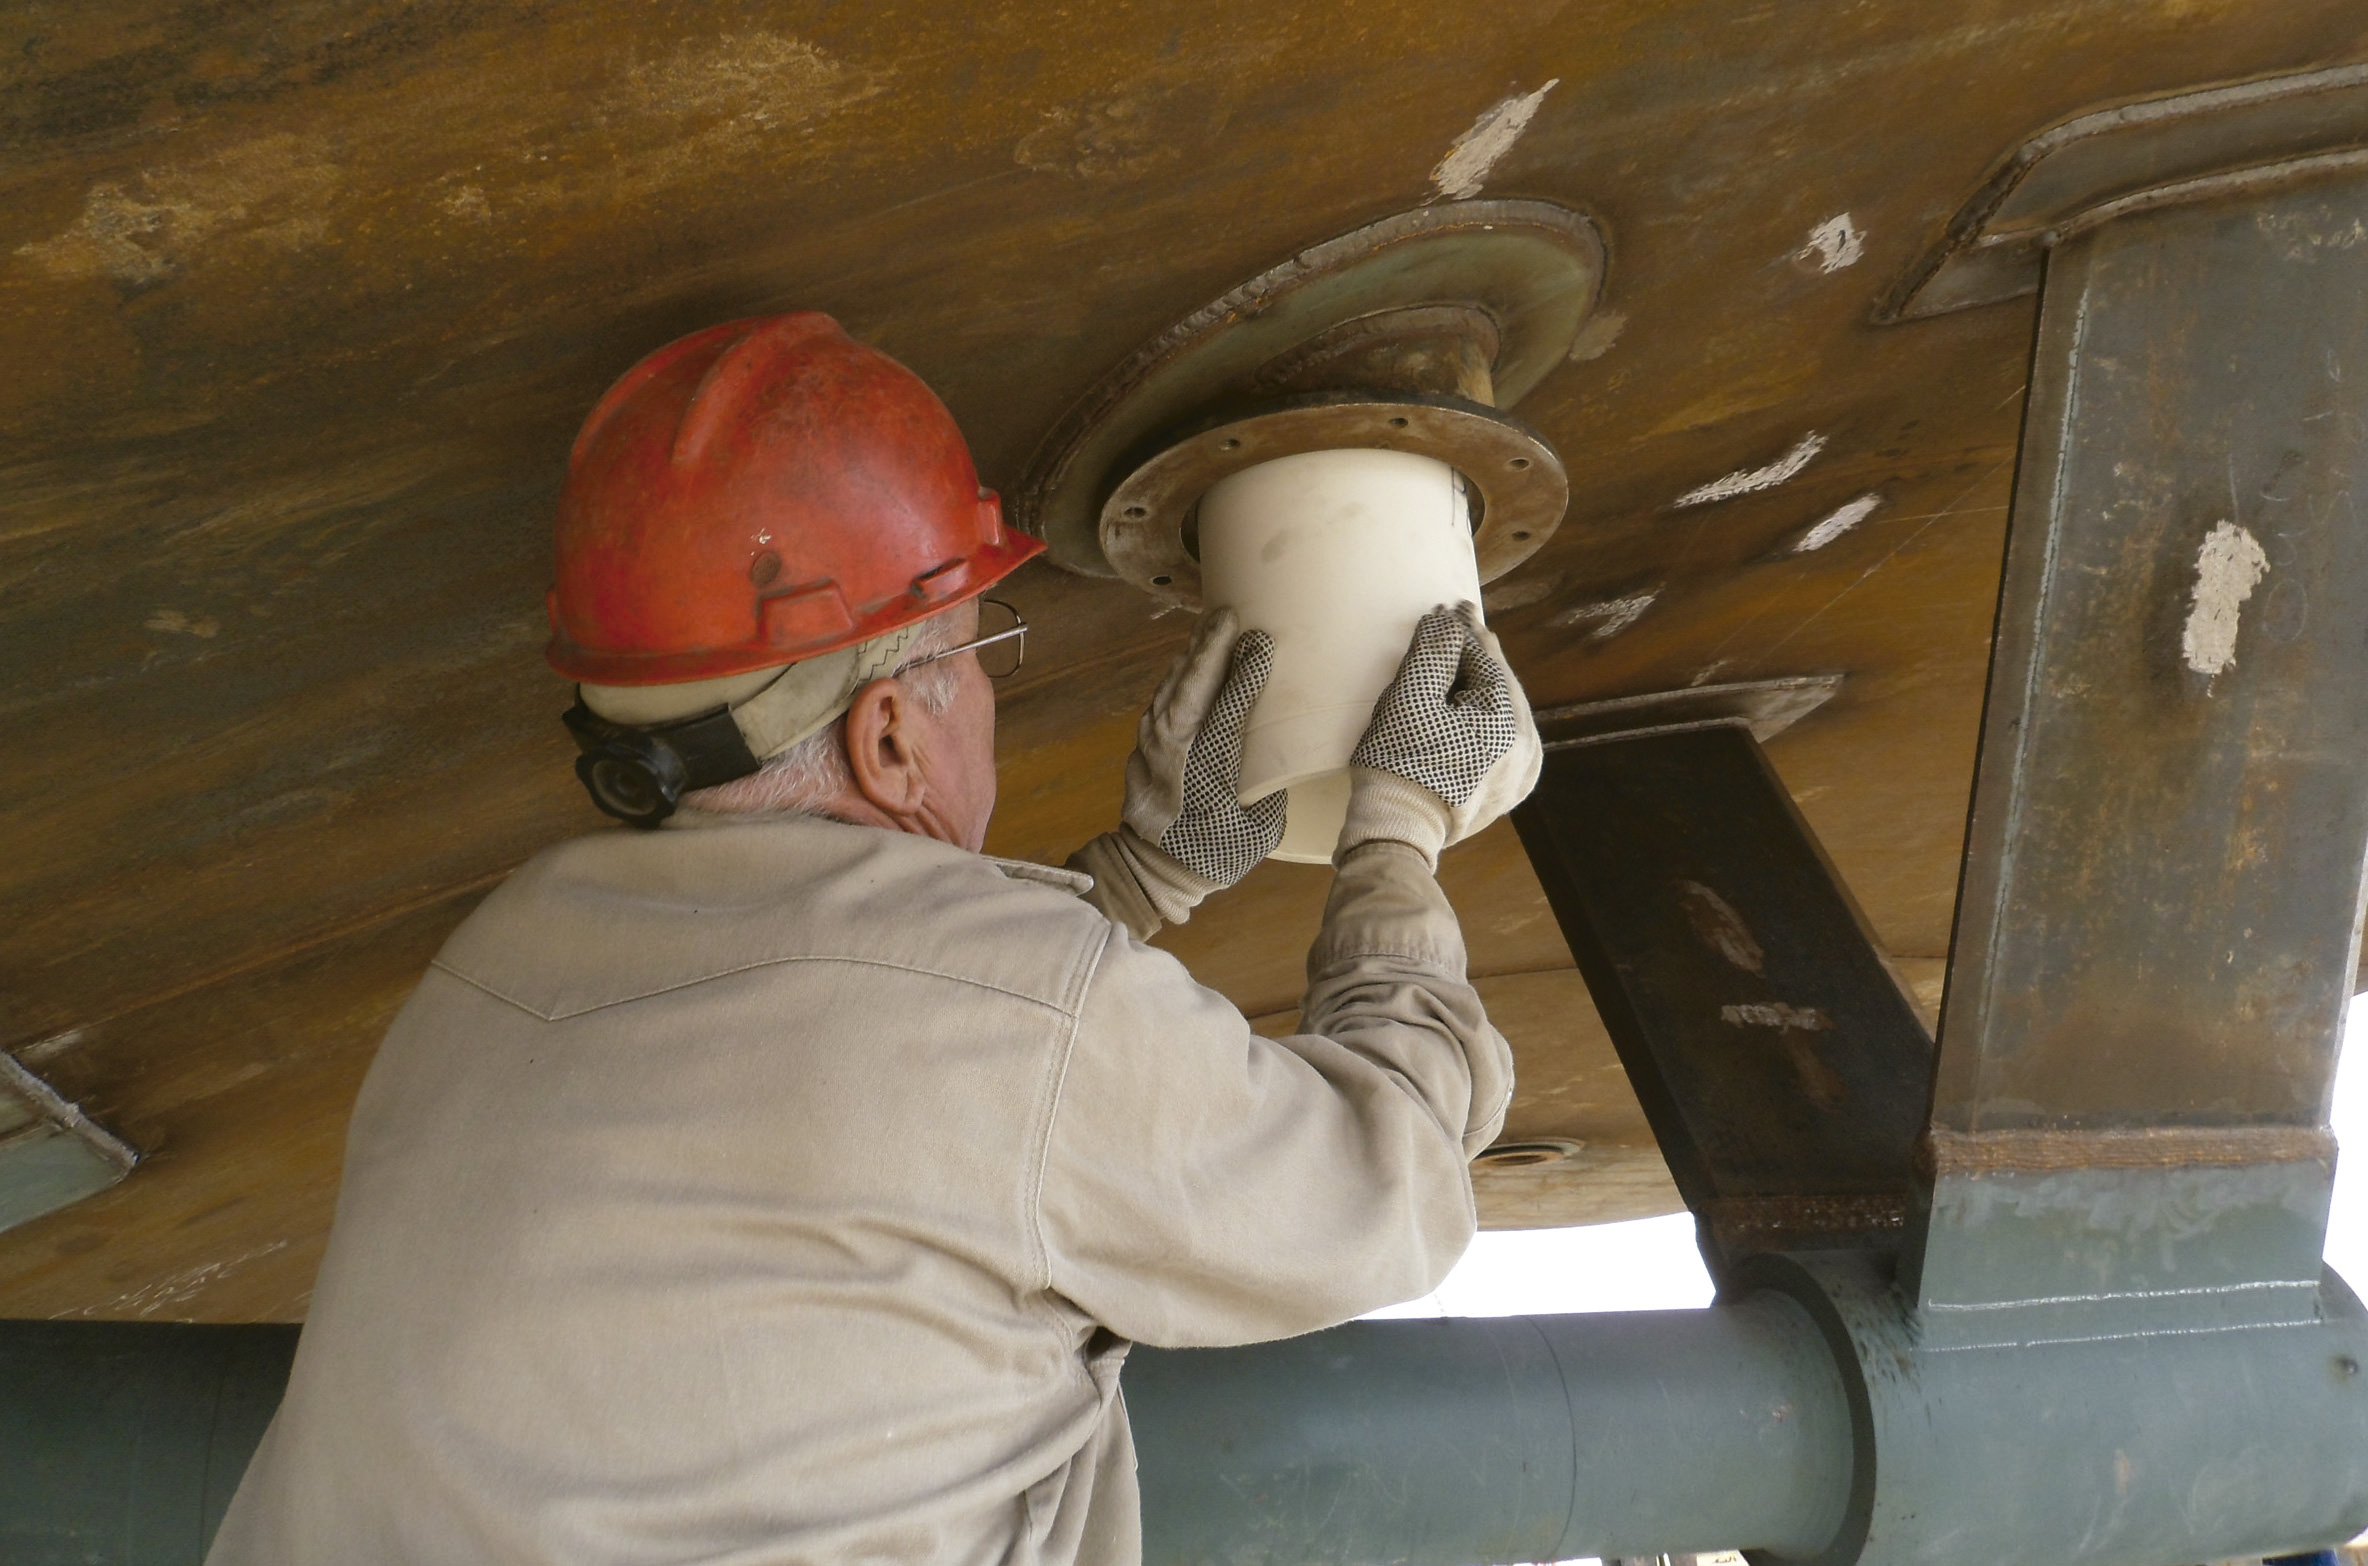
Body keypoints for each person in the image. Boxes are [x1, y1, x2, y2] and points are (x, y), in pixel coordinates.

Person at [207, 312, 1540, 1565]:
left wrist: (1142, 877)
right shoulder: (1022, 1024)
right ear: (890, 735)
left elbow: (880, 1071)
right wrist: (1397, 831)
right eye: (975, 652)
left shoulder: (487, 966)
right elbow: (1389, 1179)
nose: (983, 693)